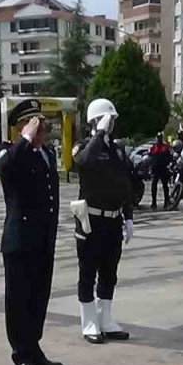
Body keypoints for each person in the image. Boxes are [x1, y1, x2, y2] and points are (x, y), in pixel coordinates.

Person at [0, 99, 62, 365]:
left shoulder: (44, 154)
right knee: (19, 299)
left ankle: (34, 347)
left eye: (42, 124)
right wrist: (24, 139)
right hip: (20, 240)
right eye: (35, 124)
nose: (42, 129)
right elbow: (9, 168)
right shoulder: (9, 153)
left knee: (39, 296)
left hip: (42, 239)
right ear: (22, 126)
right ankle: (20, 353)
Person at [71, 98, 135, 346]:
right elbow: (84, 162)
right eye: (108, 119)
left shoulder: (116, 150)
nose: (112, 124)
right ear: (95, 121)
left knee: (109, 273)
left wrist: (128, 217)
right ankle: (89, 323)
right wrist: (98, 134)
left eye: (113, 120)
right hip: (90, 221)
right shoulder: (84, 146)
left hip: (112, 221)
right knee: (88, 273)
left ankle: (105, 319)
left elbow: (124, 184)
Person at [148, 133, 172, 210]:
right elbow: (150, 157)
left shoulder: (165, 147)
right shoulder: (153, 147)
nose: (159, 139)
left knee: (165, 186)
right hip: (155, 169)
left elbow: (169, 156)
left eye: (160, 138)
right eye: (158, 138)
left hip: (163, 168)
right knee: (154, 185)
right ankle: (154, 202)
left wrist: (168, 163)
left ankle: (166, 201)